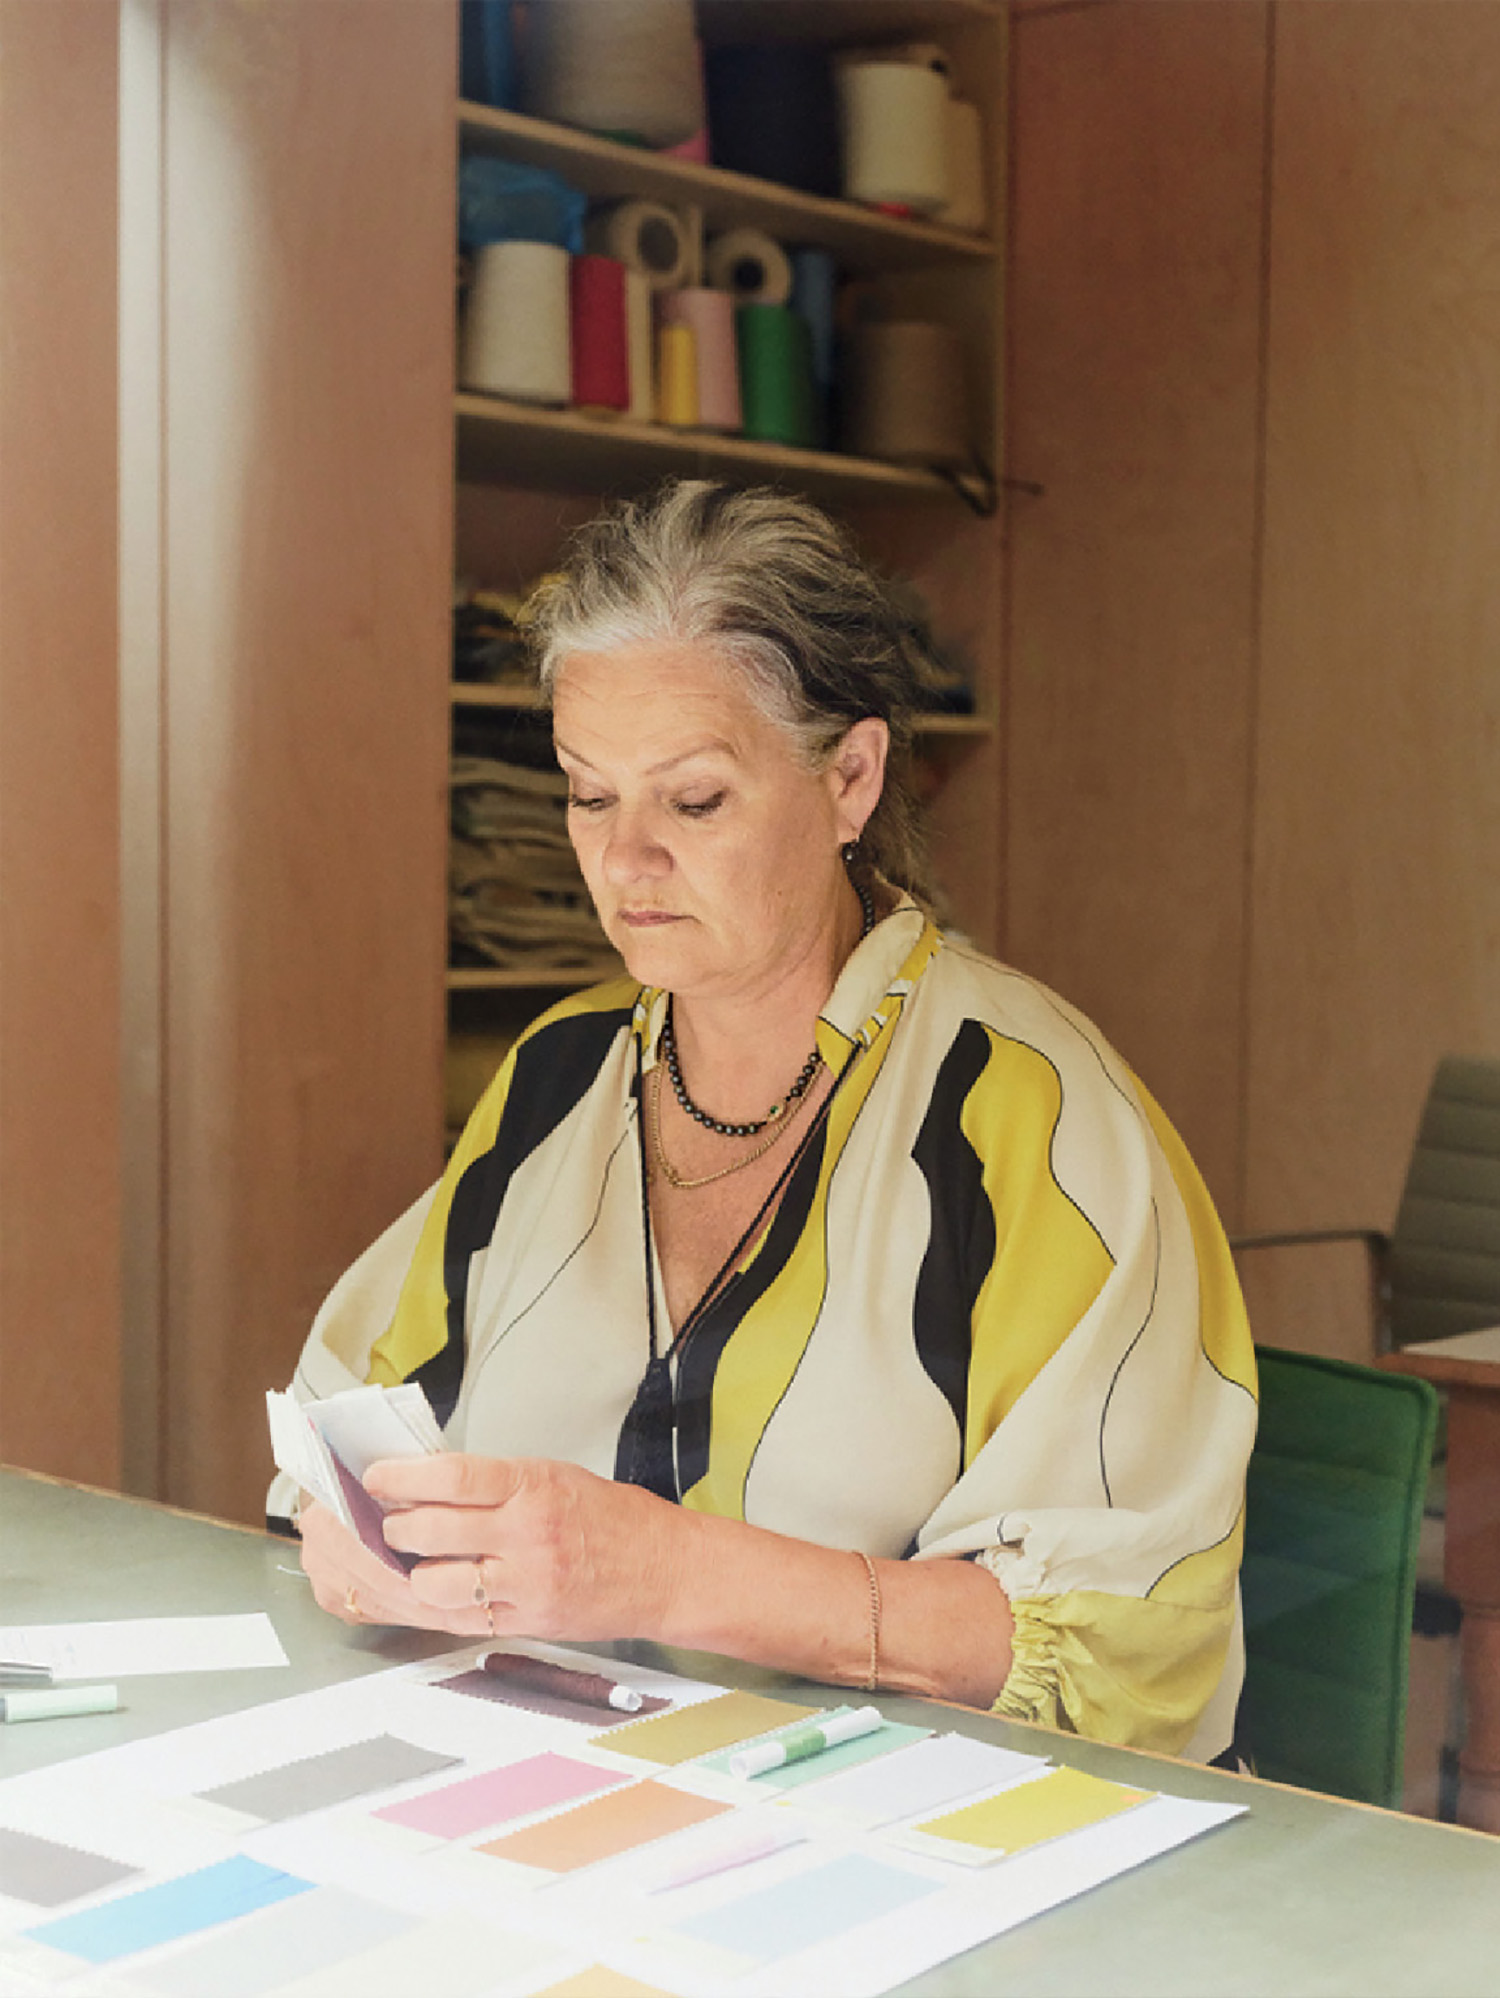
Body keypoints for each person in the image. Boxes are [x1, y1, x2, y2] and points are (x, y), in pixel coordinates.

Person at [280, 479, 1257, 1762]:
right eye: (588, 795)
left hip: (929, 1849)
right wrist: (353, 1539)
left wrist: (660, 1573)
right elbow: (348, 1425)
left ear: (850, 777)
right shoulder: (559, 1077)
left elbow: (1122, 1652)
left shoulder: (1034, 1116)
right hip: (569, 1795)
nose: (625, 861)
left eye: (692, 802)